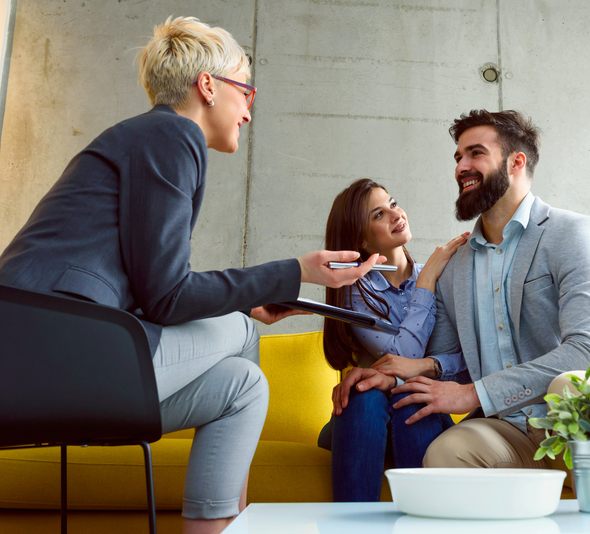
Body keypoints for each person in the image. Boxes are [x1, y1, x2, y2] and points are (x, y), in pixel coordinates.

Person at [0, 17, 380, 534]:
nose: (248, 109)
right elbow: (167, 297)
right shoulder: (171, 133)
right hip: (52, 352)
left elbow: (153, 287)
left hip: (51, 351)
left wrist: (250, 297)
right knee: (243, 334)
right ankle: (238, 523)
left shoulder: (144, 138)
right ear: (208, 86)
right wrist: (294, 273)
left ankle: (217, 528)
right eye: (246, 90)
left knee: (243, 384)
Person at [335, 109, 590, 471]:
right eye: (458, 157)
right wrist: (390, 372)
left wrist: (473, 394)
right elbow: (448, 365)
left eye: (476, 153)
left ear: (516, 163)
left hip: (568, 421)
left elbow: (589, 352)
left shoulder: (572, 233)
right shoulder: (454, 268)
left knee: (572, 384)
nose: (461, 166)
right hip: (503, 430)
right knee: (443, 453)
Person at [319, 178, 470, 501]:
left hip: (416, 409)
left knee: (410, 397)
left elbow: (469, 358)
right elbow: (404, 354)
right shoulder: (356, 291)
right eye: (378, 215)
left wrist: (428, 367)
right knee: (365, 395)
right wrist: (426, 281)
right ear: (361, 240)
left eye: (392, 203)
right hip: (366, 418)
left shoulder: (443, 276)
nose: (395, 213)